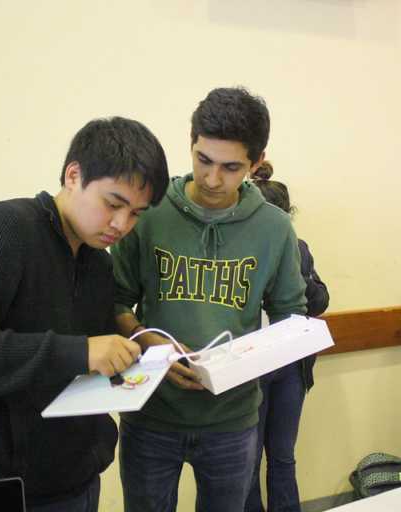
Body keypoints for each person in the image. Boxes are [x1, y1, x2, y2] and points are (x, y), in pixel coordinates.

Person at [0, 117, 170, 511]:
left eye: (136, 213)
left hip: (79, 481)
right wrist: (77, 352)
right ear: (73, 175)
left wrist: (139, 356)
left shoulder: (98, 264)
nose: (122, 225)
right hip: (1, 487)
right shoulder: (1, 231)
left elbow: (92, 359)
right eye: (113, 204)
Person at [111, 87, 307, 512]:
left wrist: (244, 361)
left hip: (232, 423)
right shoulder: (150, 213)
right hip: (150, 413)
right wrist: (148, 342)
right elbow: (115, 303)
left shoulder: (274, 229)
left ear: (255, 164)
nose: (213, 178)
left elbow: (293, 318)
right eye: (204, 160)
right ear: (191, 144)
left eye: (231, 167)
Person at [244, 161, 329, 512]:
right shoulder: (241, 254)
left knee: (282, 455)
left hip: (291, 366)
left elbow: (321, 300)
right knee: (247, 462)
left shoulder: (300, 247)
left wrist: (295, 267)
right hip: (251, 366)